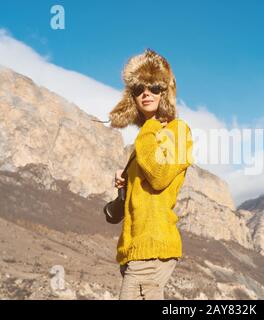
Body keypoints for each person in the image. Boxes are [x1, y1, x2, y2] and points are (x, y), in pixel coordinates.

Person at [108, 48, 193, 300]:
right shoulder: (148, 138)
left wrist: (150, 127)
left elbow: (158, 175)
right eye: (138, 89)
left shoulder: (176, 130)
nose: (146, 93)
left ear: (164, 92)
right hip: (135, 251)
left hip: (151, 250)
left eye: (154, 87)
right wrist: (127, 184)